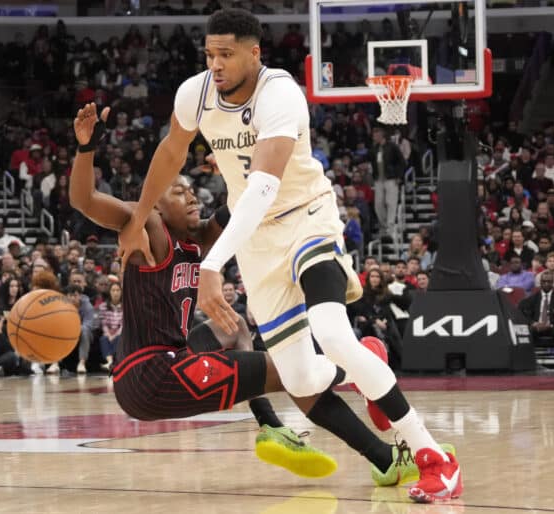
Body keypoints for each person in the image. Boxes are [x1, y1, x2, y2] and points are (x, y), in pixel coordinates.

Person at [116, 9, 460, 503]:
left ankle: (434, 458)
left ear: (255, 53)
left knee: (333, 331)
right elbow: (171, 152)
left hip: (305, 217)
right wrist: (138, 217)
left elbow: (262, 186)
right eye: (210, 54)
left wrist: (212, 266)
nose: (216, 64)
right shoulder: (194, 93)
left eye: (227, 54)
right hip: (258, 244)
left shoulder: (280, 93)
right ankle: (367, 365)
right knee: (300, 376)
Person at [71, 103, 454, 489]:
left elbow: (246, 199)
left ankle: (289, 430)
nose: (191, 198)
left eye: (192, 191)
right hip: (150, 373)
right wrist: (86, 150)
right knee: (289, 370)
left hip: (174, 357)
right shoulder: (146, 227)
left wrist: (253, 162)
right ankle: (359, 371)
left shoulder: (200, 238)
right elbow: (84, 201)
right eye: (178, 191)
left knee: (236, 328)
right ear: (155, 201)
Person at [519, 271, 554, 371]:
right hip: (537, 325)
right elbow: (524, 314)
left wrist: (550, 324)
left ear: (553, 283)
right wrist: (533, 323)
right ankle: (529, 362)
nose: (546, 283)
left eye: (549, 281)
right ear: (540, 283)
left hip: (552, 326)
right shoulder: (532, 298)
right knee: (529, 330)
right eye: (544, 281)